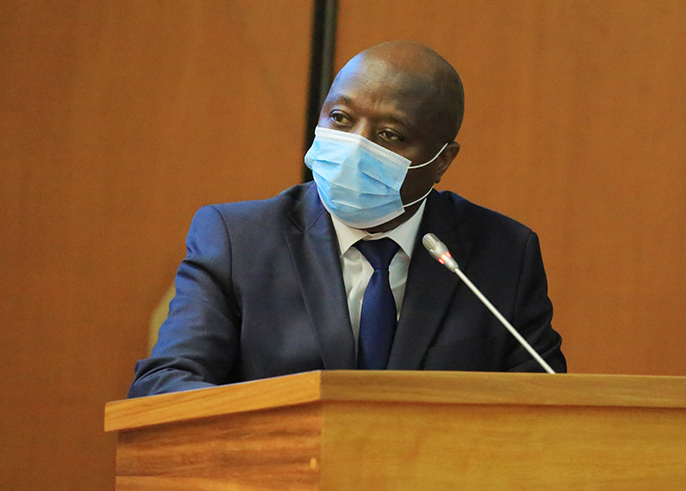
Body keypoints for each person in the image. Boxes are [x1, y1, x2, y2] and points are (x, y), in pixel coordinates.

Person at [128, 41, 566, 398]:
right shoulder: (237, 240)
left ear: (441, 161)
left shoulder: (503, 253)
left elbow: (545, 402)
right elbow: (166, 383)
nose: (354, 146)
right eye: (340, 118)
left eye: (389, 135)